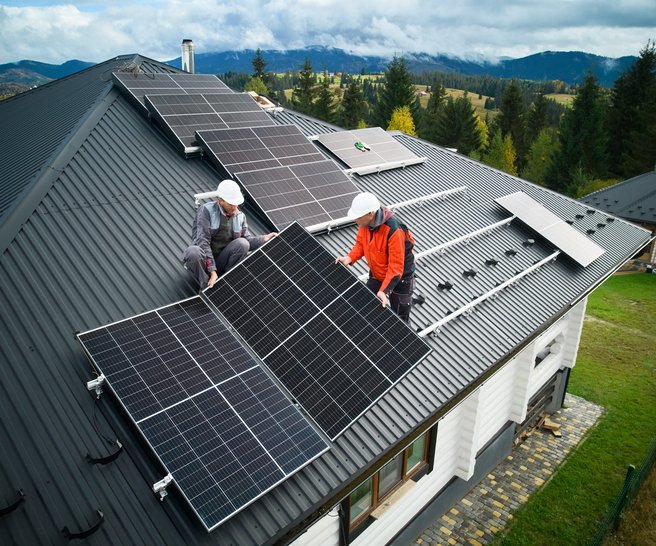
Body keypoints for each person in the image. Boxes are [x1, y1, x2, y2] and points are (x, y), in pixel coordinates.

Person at [335, 192, 416, 322]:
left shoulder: (394, 230)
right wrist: (350, 258)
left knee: (400, 320)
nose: (354, 219)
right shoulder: (365, 224)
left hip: (401, 280)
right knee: (366, 305)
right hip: (378, 275)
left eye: (357, 216)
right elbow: (361, 244)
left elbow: (396, 268)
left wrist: (384, 291)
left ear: (370, 214)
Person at [183, 179, 277, 289]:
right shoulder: (206, 211)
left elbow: (248, 240)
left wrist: (264, 239)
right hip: (203, 261)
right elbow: (203, 242)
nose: (234, 207)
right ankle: (206, 288)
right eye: (231, 204)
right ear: (220, 200)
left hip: (221, 260)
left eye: (236, 204)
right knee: (193, 252)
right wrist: (212, 271)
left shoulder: (240, 216)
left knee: (243, 243)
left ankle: (227, 280)